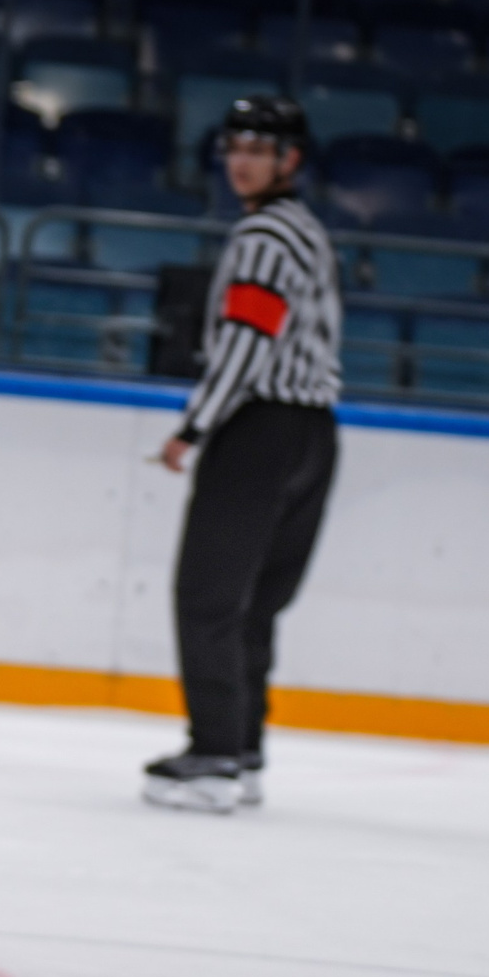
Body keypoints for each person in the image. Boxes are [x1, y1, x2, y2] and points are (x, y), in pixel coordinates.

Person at [144, 95, 342, 814]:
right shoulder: (307, 231)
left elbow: (245, 342)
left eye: (259, 148)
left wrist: (192, 427)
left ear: (290, 160)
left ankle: (216, 753)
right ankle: (244, 746)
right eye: (234, 147)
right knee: (254, 602)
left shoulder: (262, 238)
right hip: (313, 432)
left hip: (259, 430)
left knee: (208, 596)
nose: (241, 161)